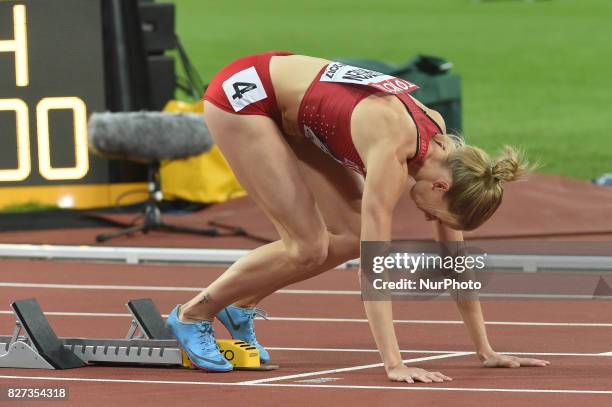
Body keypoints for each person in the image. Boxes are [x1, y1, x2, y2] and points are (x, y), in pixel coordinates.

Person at [166, 51, 549, 382]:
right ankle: (192, 314)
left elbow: (454, 263)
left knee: (348, 237)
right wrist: (394, 363)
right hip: (246, 97)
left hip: (296, 114)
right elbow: (375, 270)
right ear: (441, 188)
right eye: (437, 215)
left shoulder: (439, 146)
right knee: (307, 247)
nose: (426, 217)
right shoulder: (393, 153)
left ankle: (239, 305)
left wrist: (486, 349)